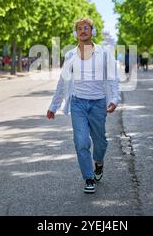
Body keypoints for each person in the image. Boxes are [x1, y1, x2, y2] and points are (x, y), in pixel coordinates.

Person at [46, 18, 120, 194]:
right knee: (81, 141)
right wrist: (53, 105)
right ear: (75, 33)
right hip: (78, 103)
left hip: (98, 103)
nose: (82, 31)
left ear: (92, 31)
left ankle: (99, 163)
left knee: (100, 141)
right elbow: (62, 81)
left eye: (86, 28)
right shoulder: (71, 55)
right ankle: (88, 177)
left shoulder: (104, 53)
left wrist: (114, 99)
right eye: (79, 28)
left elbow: (113, 78)